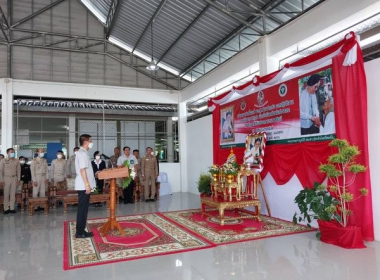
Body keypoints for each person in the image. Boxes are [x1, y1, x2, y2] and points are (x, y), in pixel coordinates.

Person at [75, 134, 96, 239]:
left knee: (84, 208)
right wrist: (87, 185)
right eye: (90, 140)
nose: (91, 142)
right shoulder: (82, 153)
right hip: (83, 185)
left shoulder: (83, 153)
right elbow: (82, 170)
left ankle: (81, 230)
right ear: (86, 142)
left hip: (84, 185)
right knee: (82, 209)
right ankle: (79, 232)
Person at [0, 148, 21, 214]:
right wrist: (1, 180)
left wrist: (18, 180)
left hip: (14, 178)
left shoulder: (16, 161)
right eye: (11, 152)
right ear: (7, 153)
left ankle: (12, 208)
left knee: (12, 194)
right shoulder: (3, 161)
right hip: (6, 178)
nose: (13, 153)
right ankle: (6, 208)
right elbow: (0, 171)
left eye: (13, 152)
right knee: (6, 194)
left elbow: (18, 171)